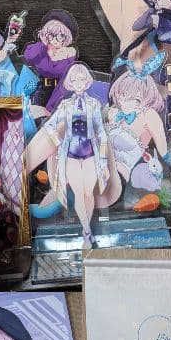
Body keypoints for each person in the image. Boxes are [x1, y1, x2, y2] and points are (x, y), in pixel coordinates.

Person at [27, 63, 122, 246]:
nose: (79, 83)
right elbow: (50, 125)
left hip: (90, 153)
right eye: (75, 80)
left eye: (82, 79)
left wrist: (103, 156)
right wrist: (57, 142)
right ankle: (87, 231)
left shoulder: (94, 104)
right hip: (70, 154)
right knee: (79, 193)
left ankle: (87, 228)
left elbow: (100, 130)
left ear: (86, 82)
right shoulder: (65, 105)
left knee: (88, 193)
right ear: (70, 83)